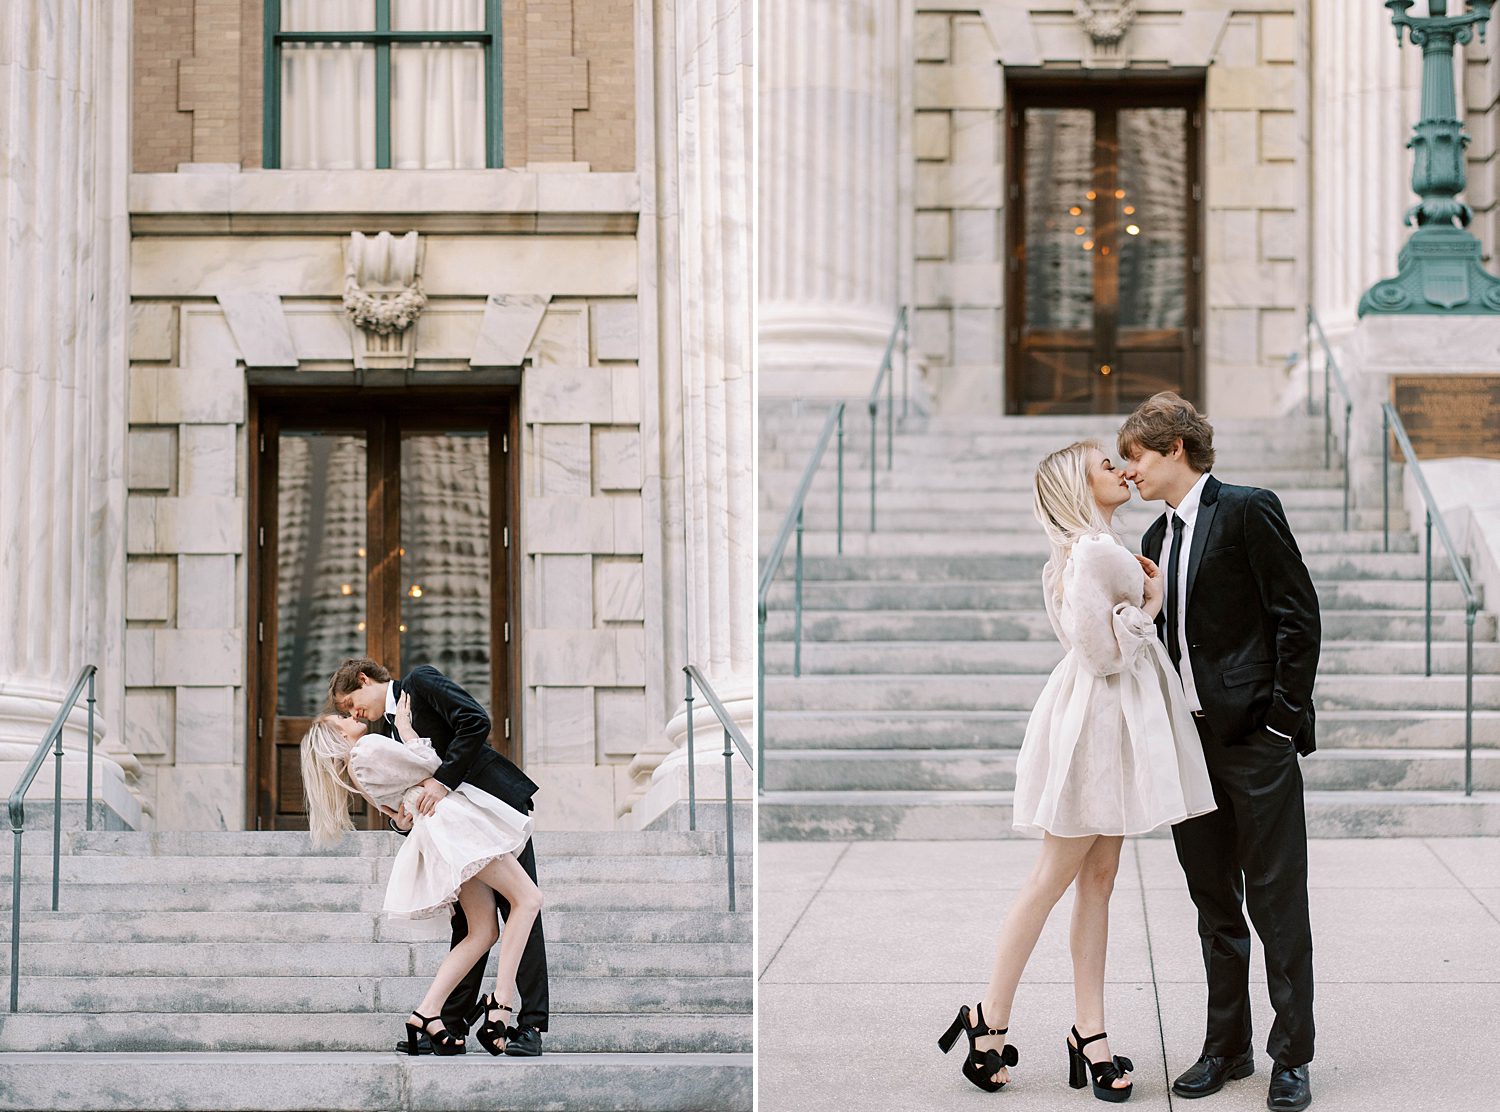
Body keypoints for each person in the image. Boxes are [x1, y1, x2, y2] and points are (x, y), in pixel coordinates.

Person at [940, 440, 1216, 1102]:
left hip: (1105, 726)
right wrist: (1149, 606)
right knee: (1052, 879)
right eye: (1105, 467)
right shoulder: (1093, 553)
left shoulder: (1087, 550)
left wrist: (1139, 599)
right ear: (1079, 486)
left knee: (1099, 880)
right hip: (1095, 726)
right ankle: (987, 1021)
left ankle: (1088, 1032)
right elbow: (1100, 653)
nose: (1122, 471)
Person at [1119, 393, 1319, 1112]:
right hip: (1187, 744)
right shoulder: (1154, 531)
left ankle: (1291, 1057)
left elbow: (1298, 614)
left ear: (1173, 447)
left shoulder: (1246, 509)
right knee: (1213, 903)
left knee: (1275, 901)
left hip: (1252, 740)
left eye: (1135, 455)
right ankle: (1226, 1047)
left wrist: (1280, 722)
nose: (1128, 470)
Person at [327, 657, 550, 1057]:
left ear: (364, 679)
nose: (353, 713)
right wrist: (403, 819)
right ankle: (448, 1022)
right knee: (474, 925)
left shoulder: (419, 682)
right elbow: (408, 795)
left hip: (496, 808)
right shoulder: (392, 732)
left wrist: (442, 783)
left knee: (522, 911)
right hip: (458, 829)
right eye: (346, 713)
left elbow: (475, 721)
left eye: (350, 703)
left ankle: (528, 1025)